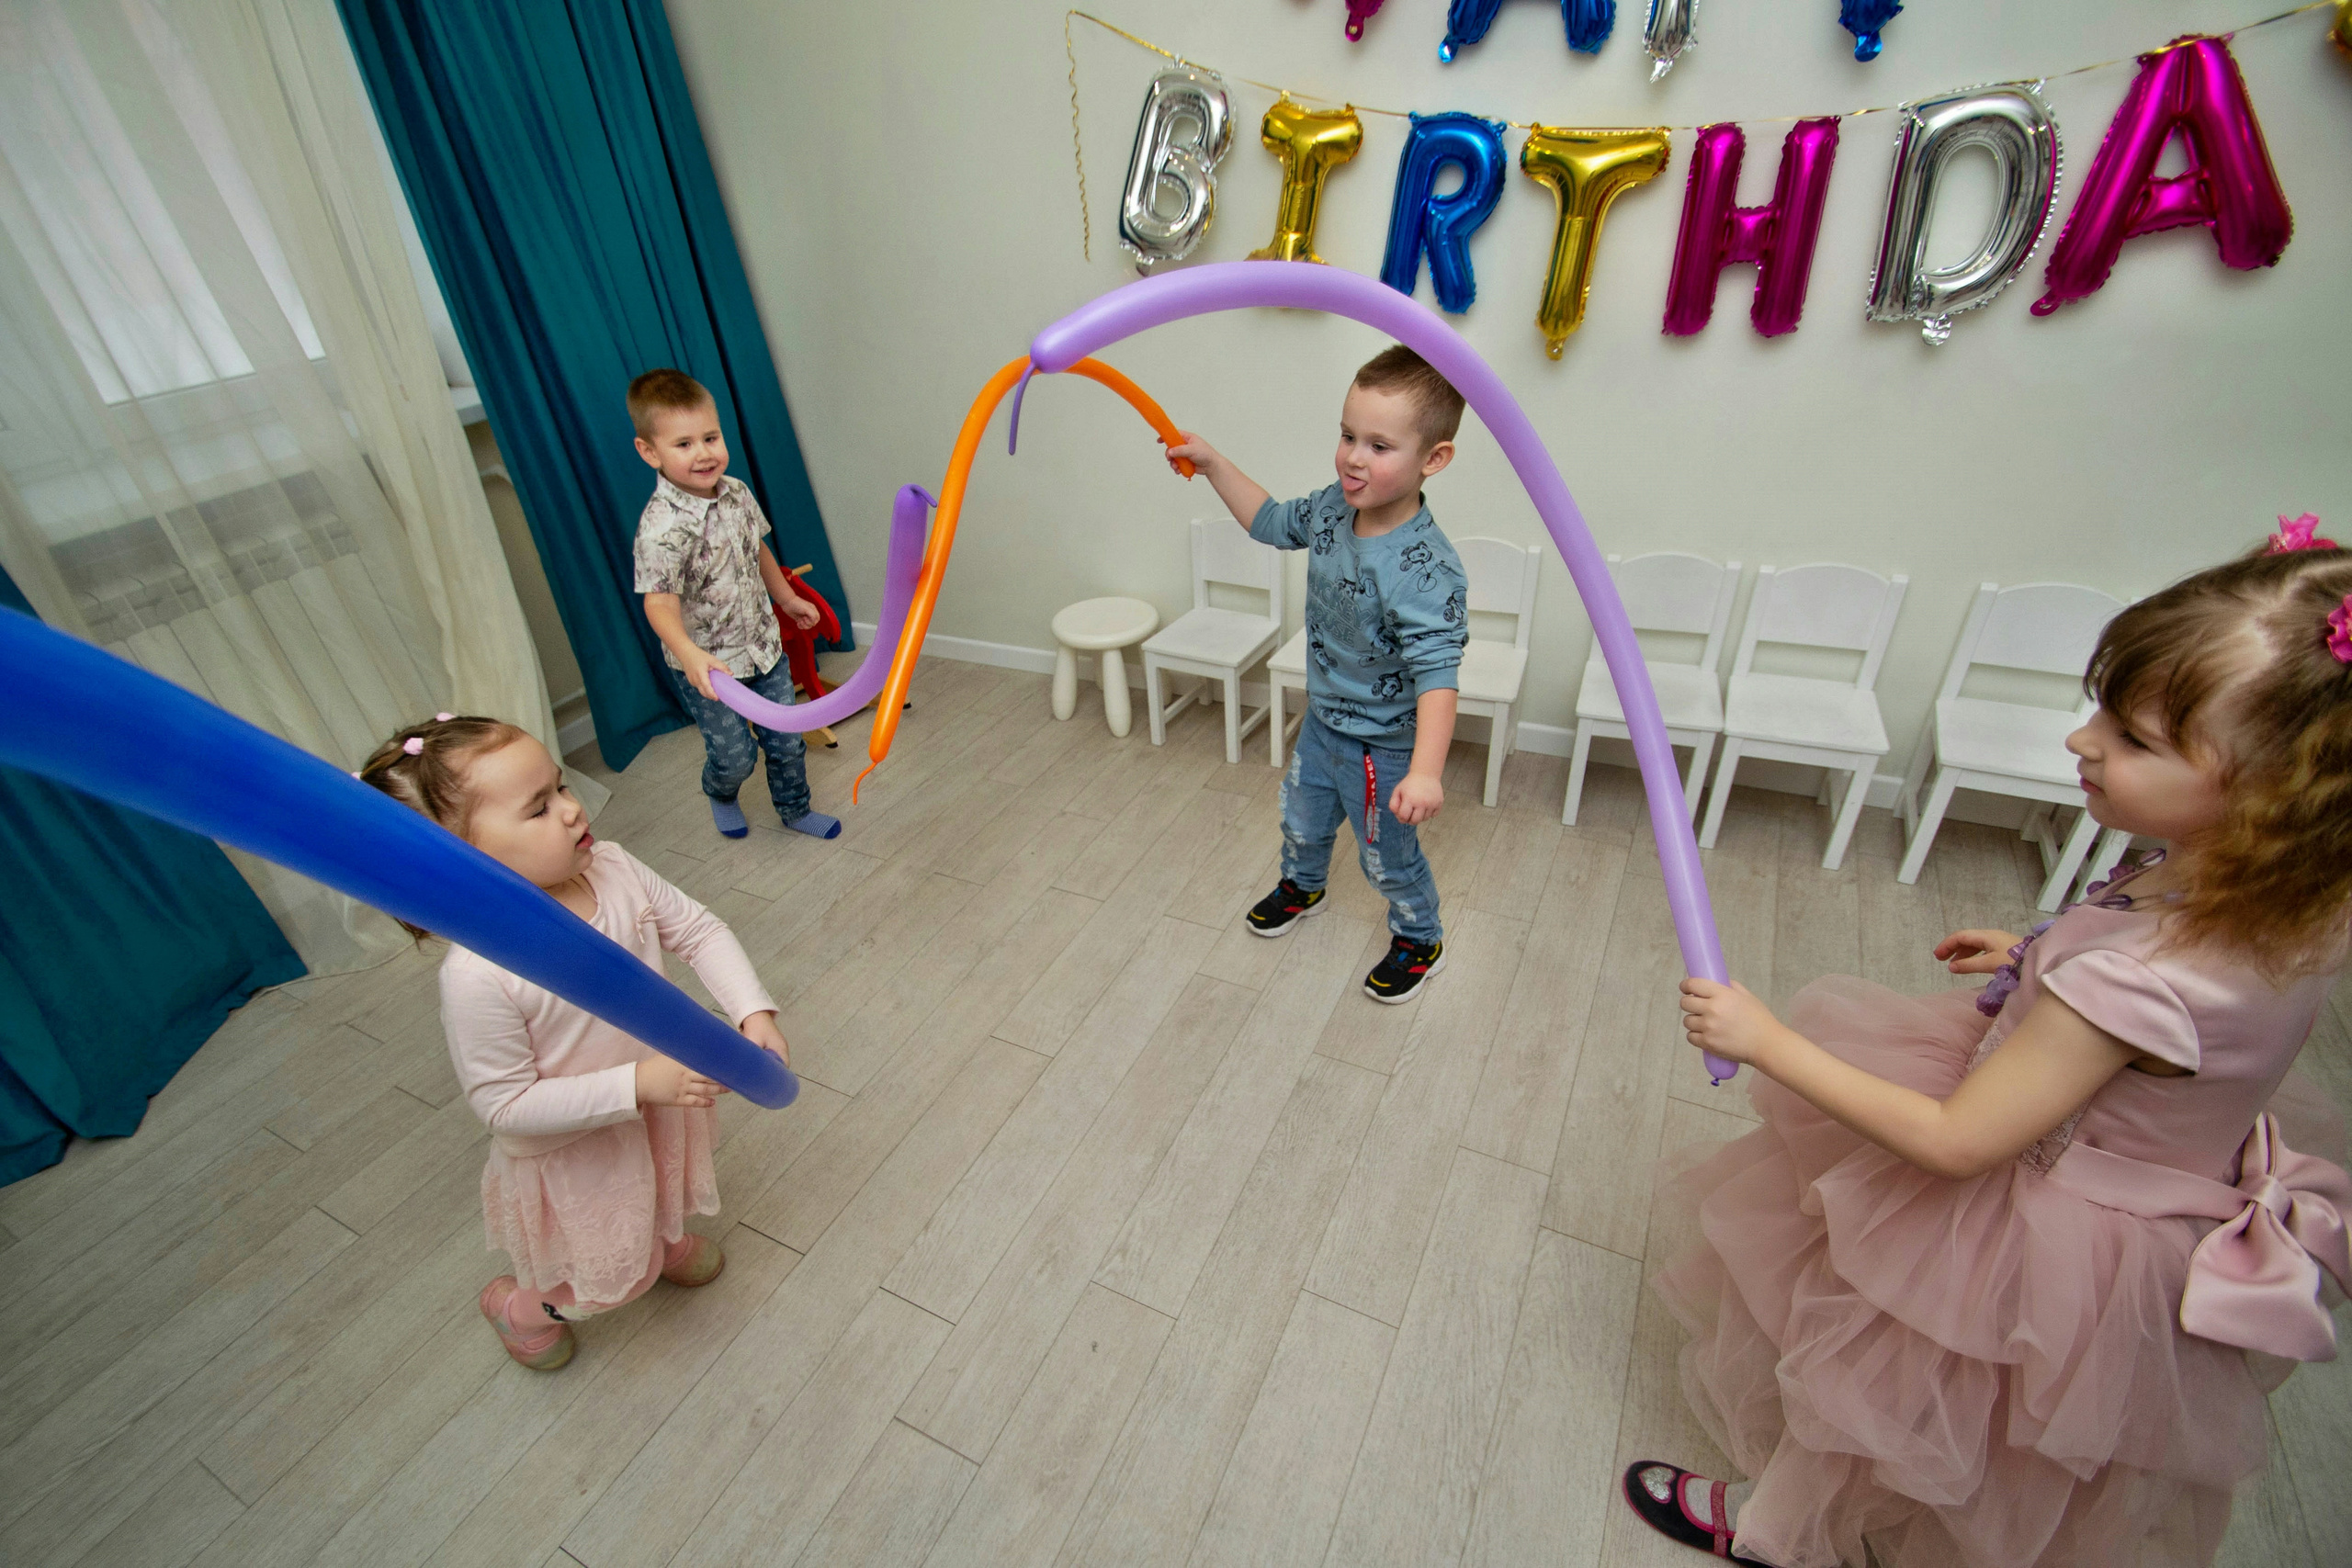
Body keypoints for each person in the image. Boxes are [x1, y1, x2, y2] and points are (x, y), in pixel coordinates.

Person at [1632, 535, 2352, 1567]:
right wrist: (2039, 956)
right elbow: (2192, 1034)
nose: (2083, 738)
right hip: (2156, 1185)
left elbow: (1953, 1141)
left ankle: (1774, 1532)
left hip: (2036, 1215)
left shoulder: (2126, 987)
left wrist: (1770, 1042)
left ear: (2273, 799)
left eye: (2135, 738)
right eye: (2104, 708)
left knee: (1880, 1376)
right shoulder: (2294, 904)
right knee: (1975, 1417)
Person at [358, 715, 793, 1371]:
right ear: (459, 862)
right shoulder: (480, 975)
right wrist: (637, 1084)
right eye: (538, 808)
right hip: (578, 1151)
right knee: (596, 1273)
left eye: (561, 787)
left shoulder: (614, 867)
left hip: (653, 1108)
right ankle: (522, 1308)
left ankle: (659, 1238)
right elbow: (505, 1107)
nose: (570, 809)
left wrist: (752, 1011)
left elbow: (698, 931)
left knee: (655, 1198)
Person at [1166, 344, 1469, 1003]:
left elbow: (1439, 680)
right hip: (1324, 723)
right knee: (1300, 820)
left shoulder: (1424, 570)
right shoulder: (1335, 508)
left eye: (1380, 445)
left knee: (1386, 857)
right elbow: (1273, 522)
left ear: (1433, 459)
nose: (1354, 457)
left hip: (1384, 750)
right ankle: (1303, 884)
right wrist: (1213, 464)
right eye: (1347, 435)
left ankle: (1420, 937)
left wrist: (1425, 771)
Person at [629, 368, 840, 841]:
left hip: (764, 649)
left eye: (711, 437)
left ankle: (795, 810)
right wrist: (689, 655)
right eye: (683, 444)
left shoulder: (738, 492)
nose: (703, 453)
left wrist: (786, 598)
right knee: (735, 758)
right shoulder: (661, 529)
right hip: (710, 670)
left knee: (786, 742)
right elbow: (658, 604)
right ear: (650, 452)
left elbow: (757, 550)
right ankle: (719, 792)